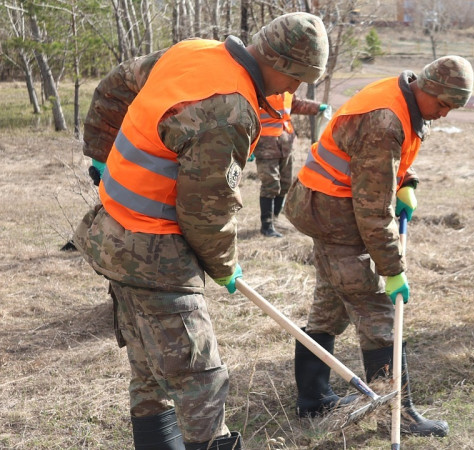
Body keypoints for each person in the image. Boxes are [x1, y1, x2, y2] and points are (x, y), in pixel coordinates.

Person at [70, 12, 328, 449]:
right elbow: (205, 214)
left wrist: (99, 151)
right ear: (282, 65)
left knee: (149, 372)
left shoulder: (193, 51)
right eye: (298, 78)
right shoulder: (229, 112)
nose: (293, 90)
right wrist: (225, 265)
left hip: (110, 233)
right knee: (201, 380)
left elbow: (116, 83)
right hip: (154, 253)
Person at [284, 55, 474, 437]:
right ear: (429, 88)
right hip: (333, 212)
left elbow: (387, 163)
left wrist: (407, 182)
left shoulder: (403, 97)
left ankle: (312, 397)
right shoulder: (384, 120)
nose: (445, 114)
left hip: (327, 203)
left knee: (330, 301)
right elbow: (372, 213)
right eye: (444, 105)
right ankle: (396, 414)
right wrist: (392, 269)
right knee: (376, 309)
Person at [255, 93, 329, 237]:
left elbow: (295, 104)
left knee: (285, 183)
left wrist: (317, 107)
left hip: (286, 143)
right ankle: (267, 226)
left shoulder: (287, 90)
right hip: (265, 145)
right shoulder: (262, 89)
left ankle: (275, 219)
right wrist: (249, 143)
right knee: (270, 184)